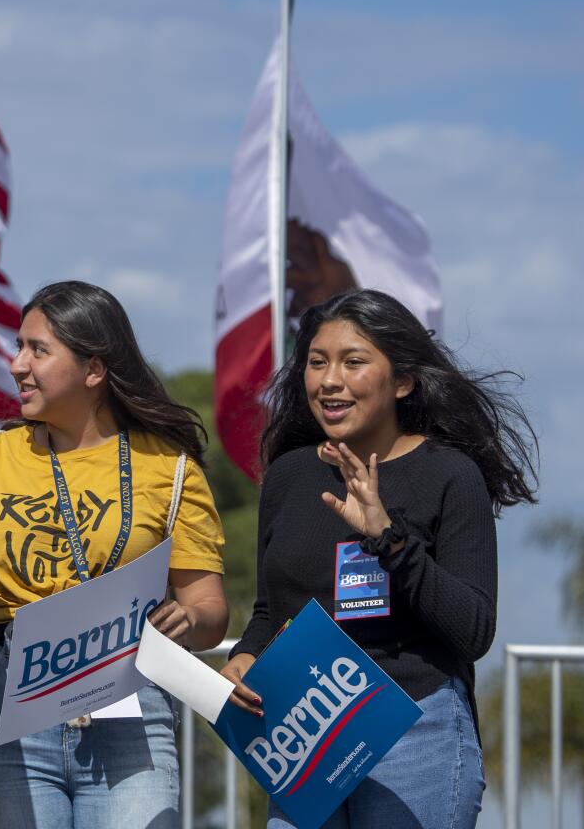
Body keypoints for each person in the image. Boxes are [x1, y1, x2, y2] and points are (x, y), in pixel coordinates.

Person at [219, 289, 538, 829]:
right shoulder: (288, 476)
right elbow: (272, 610)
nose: (329, 380)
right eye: (317, 362)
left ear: (403, 381)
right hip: (308, 734)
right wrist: (247, 656)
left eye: (354, 362)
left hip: (415, 730)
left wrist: (388, 539)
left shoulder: (450, 475)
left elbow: (475, 631)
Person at [0, 281, 228, 828]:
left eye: (37, 350)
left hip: (131, 708)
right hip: (7, 704)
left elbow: (211, 612)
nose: (16, 365)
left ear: (93, 370)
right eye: (18, 346)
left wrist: (190, 618)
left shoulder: (169, 468)